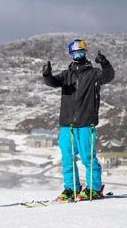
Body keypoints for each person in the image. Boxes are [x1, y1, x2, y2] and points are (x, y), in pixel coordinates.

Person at [42, 39, 114, 202]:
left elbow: (108, 76)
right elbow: (52, 82)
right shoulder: (66, 75)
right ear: (71, 55)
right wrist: (46, 74)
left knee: (88, 157)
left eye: (81, 52)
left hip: (86, 123)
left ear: (85, 52)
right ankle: (71, 188)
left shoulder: (93, 74)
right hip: (67, 124)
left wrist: (105, 64)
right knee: (67, 158)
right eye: (75, 53)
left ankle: (94, 188)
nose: (78, 56)